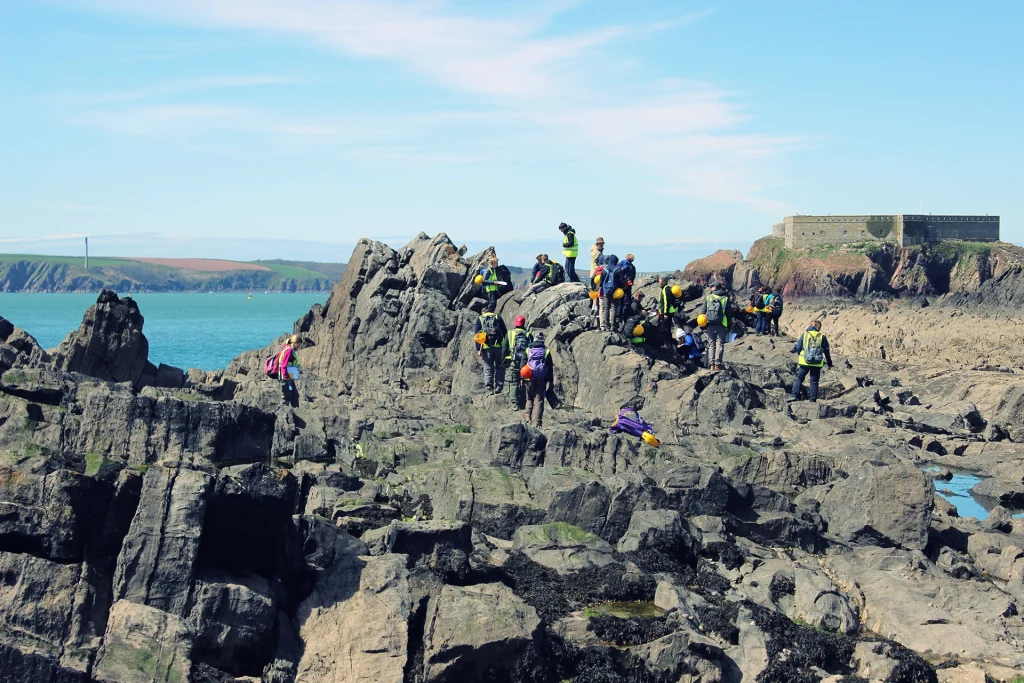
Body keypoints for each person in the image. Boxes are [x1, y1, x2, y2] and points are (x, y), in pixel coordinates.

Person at [790, 320, 833, 402]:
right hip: (817, 363)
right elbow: (826, 351)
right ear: (817, 327)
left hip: (804, 361)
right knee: (814, 381)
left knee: (799, 378)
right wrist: (829, 363)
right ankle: (812, 400)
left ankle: (794, 395)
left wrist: (800, 353)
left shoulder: (805, 335)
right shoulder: (821, 337)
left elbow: (798, 347)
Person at [474, 302, 508, 394]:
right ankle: (499, 387)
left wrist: (478, 349)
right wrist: (506, 348)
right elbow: (505, 333)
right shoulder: (497, 317)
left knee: (488, 368)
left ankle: (489, 388)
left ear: (484, 311)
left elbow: (477, 335)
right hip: (499, 347)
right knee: (500, 368)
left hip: (486, 347)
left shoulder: (480, 319)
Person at [523, 333, 553, 427]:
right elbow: (550, 367)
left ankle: (528, 420)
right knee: (539, 400)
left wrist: (522, 378)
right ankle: (538, 423)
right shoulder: (546, 351)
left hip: (529, 377)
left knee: (529, 398)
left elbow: (523, 364)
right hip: (541, 378)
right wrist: (550, 380)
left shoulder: (528, 350)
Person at [505, 315, 532, 409]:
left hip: (513, 361)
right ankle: (527, 403)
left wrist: (504, 360)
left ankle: (515, 404)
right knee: (526, 382)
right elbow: (531, 349)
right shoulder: (528, 334)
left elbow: (504, 349)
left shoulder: (510, 333)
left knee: (513, 382)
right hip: (525, 363)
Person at [702, 282, 730, 371]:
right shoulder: (725, 299)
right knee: (719, 344)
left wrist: (703, 324)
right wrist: (729, 326)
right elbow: (729, 314)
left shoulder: (708, 297)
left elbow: (703, 311)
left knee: (711, 344)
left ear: (715, 287)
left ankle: (711, 365)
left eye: (712, 286)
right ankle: (718, 364)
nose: (711, 288)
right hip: (721, 324)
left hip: (710, 324)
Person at [277, 334, 301, 407]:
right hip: (285, 377)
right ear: (295, 343)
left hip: (288, 376)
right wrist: (286, 377)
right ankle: (284, 414)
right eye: (299, 344)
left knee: (294, 395)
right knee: (286, 397)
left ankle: (295, 412)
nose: (299, 346)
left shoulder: (286, 349)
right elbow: (283, 365)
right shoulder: (289, 350)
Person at [598, 253, 620, 331]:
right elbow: (620, 282)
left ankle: (606, 326)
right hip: (615, 292)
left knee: (606, 308)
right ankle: (613, 325)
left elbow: (601, 283)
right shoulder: (617, 270)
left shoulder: (604, 270)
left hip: (606, 291)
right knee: (614, 308)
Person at [615, 254, 636, 327]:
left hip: (619, 286)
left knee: (619, 303)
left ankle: (618, 319)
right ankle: (625, 318)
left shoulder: (619, 265)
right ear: (632, 259)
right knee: (627, 303)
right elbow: (632, 277)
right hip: (627, 287)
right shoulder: (632, 267)